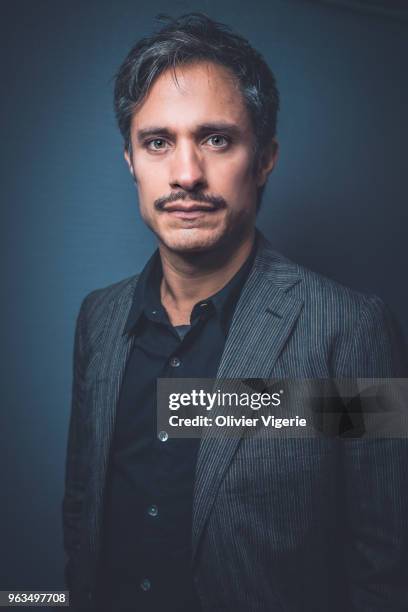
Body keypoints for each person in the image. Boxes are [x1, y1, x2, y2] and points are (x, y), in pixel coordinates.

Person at [62, 13, 408, 612]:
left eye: (216, 139)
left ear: (266, 157)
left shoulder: (350, 331)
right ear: (130, 162)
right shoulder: (98, 319)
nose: (187, 173)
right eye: (158, 142)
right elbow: (81, 515)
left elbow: (386, 568)